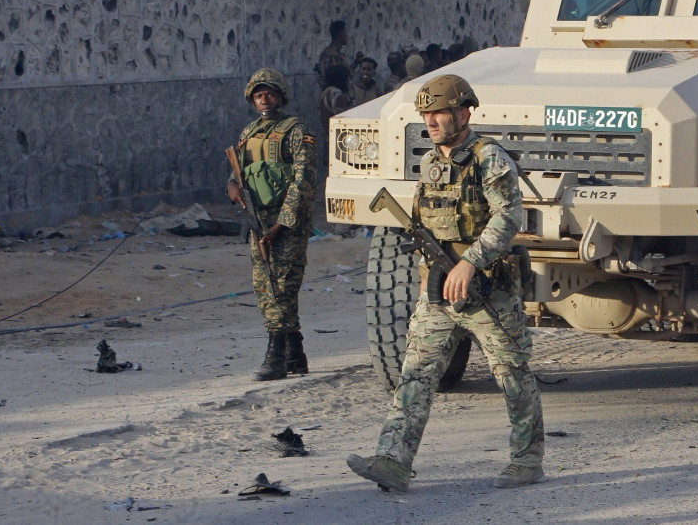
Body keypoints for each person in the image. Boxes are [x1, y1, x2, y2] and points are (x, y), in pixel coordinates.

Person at [347, 75, 543, 492]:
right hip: (439, 290)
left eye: (438, 112)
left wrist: (470, 263)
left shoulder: (490, 158)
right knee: (415, 373)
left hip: (488, 290)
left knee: (511, 374)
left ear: (464, 112)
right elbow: (427, 227)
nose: (430, 121)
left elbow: (509, 218)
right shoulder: (431, 161)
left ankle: (527, 459)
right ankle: (393, 460)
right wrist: (426, 277)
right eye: (425, 114)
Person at [226, 69, 318, 382]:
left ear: (281, 96)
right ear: (252, 99)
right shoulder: (248, 132)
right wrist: (232, 188)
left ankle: (276, 355)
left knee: (281, 284)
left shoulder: (296, 129)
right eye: (259, 94)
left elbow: (304, 178)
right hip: (258, 218)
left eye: (270, 93)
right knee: (265, 283)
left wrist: (283, 223)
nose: (265, 99)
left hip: (286, 221)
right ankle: (295, 353)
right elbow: (240, 171)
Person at [319, 64, 353, 148]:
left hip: (329, 138)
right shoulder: (336, 94)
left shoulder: (326, 92)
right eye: (347, 78)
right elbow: (342, 119)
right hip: (338, 140)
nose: (348, 81)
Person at [316, 20, 351, 88]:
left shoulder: (339, 54)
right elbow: (324, 78)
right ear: (340, 34)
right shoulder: (328, 54)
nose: (347, 35)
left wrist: (356, 62)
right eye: (345, 33)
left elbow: (346, 73)